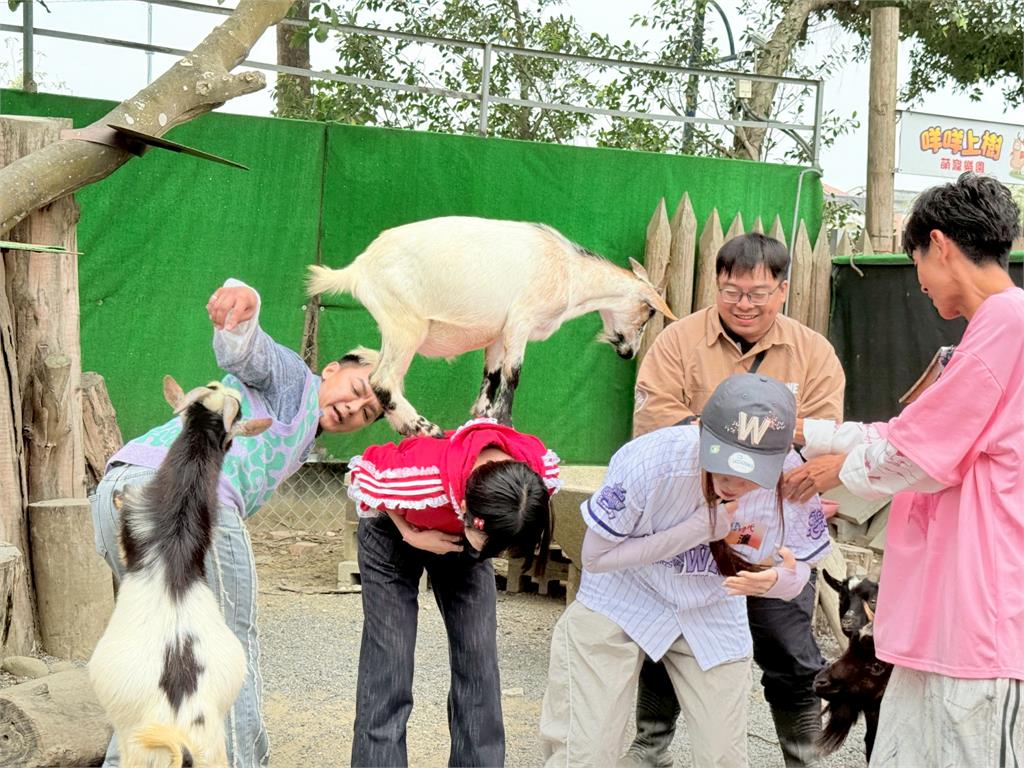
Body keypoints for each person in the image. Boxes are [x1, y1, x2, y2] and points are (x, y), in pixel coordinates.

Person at [91, 279, 384, 768]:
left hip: (120, 493)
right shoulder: (295, 383)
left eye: (367, 412)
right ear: (331, 370)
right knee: (224, 651)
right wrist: (242, 307)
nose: (354, 407)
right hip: (188, 499)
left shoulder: (299, 431)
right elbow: (250, 354)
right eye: (357, 389)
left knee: (156, 659)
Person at [798, 173, 1023, 767]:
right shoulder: (993, 330)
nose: (918, 280)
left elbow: (917, 453)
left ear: (939, 245)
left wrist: (835, 467)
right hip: (946, 614)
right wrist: (810, 434)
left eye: (916, 259)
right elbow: (907, 435)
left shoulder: (1008, 322)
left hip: (980, 614)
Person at [628, 232, 846, 767]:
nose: (743, 304)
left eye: (757, 294)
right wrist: (745, 439)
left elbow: (825, 437)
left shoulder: (813, 353)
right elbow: (653, 418)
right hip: (689, 519)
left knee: (787, 644)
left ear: (783, 290)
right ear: (717, 286)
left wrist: (734, 441)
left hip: (775, 523)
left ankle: (804, 755)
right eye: (731, 292)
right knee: (665, 634)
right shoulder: (677, 341)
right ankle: (649, 748)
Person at [539, 373, 831, 768]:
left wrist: (777, 581)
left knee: (724, 757)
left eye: (750, 475)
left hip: (711, 605)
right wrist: (696, 529)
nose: (734, 483)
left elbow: (800, 570)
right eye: (724, 467)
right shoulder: (651, 460)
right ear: (701, 430)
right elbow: (595, 557)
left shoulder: (791, 480)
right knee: (584, 751)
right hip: (621, 595)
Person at [347, 417, 560, 767]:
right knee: (389, 662)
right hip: (394, 528)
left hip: (462, 538)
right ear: (465, 507)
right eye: (491, 546)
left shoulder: (534, 479)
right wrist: (410, 534)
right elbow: (361, 476)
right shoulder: (419, 477)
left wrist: (483, 541)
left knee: (478, 658)